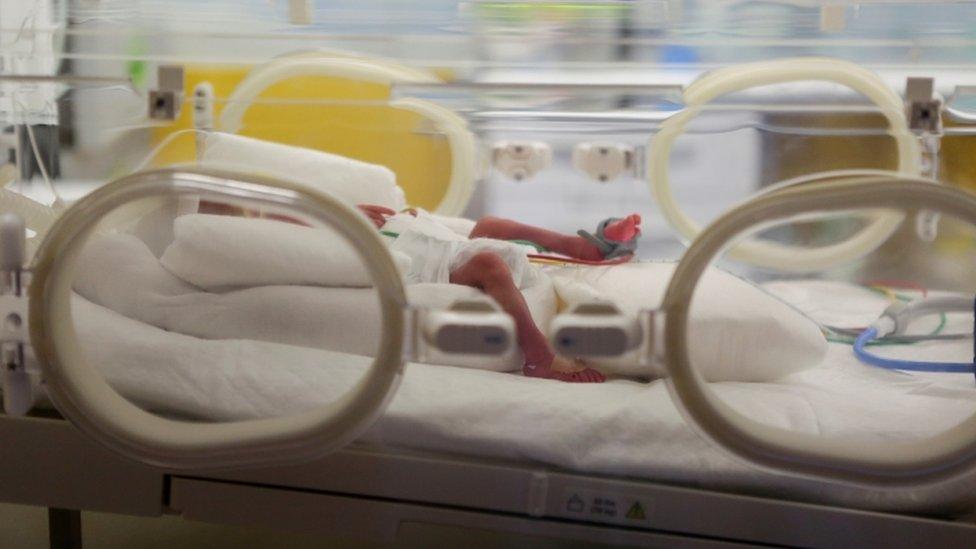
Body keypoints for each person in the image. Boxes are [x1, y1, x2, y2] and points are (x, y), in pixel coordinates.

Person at [358, 205, 642, 383]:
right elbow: (320, 229)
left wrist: (374, 214)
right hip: (428, 266)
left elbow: (394, 212)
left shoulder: (345, 212)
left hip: (441, 243)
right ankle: (539, 356)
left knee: (489, 226)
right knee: (490, 264)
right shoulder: (326, 227)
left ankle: (577, 247)